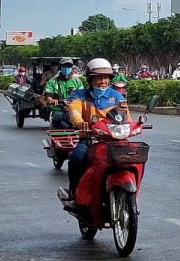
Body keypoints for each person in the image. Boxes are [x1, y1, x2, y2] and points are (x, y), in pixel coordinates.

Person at [63, 58, 129, 204]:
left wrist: (133, 126)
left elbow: (126, 118)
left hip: (114, 140)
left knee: (133, 158)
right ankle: (74, 195)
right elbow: (74, 111)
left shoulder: (117, 96)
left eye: (106, 78)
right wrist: (80, 123)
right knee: (76, 159)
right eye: (99, 78)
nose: (103, 81)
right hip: (89, 139)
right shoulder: (79, 95)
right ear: (90, 79)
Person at [43, 57, 83, 128]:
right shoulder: (52, 81)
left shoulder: (77, 81)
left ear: (72, 68)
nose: (66, 68)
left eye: (69, 66)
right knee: (56, 118)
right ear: (60, 67)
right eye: (64, 66)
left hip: (74, 107)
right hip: (58, 108)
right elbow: (48, 96)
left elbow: (82, 96)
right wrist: (52, 100)